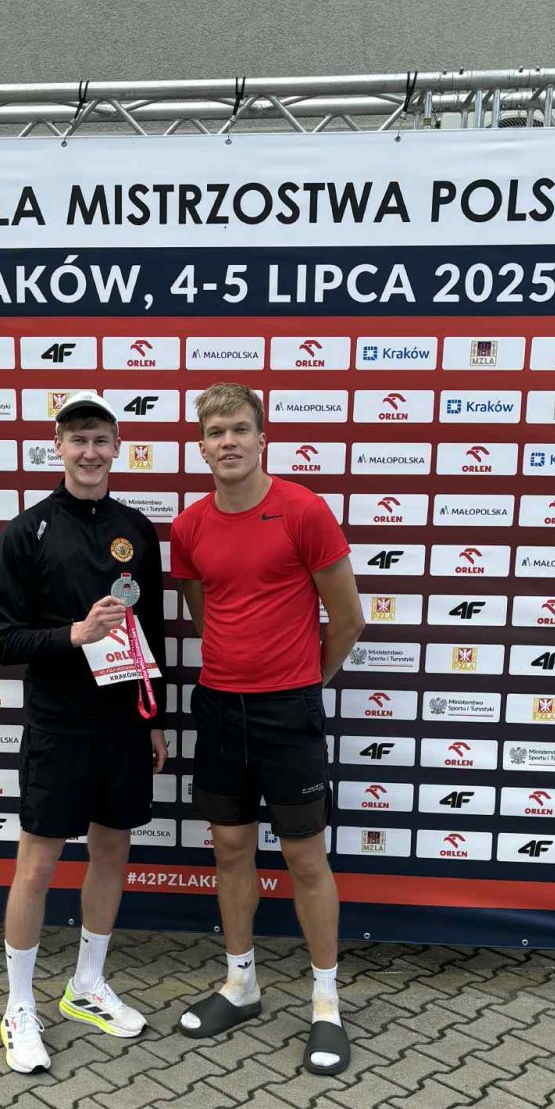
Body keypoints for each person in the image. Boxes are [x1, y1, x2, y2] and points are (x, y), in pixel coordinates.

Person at [170, 382, 364, 1074]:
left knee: (306, 858)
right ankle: (241, 984)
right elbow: (206, 613)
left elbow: (348, 620)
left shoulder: (303, 510)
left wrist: (304, 682)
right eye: (215, 431)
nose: (228, 441)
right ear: (201, 446)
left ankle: (326, 1004)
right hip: (221, 707)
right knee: (230, 849)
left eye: (239, 428)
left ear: (261, 438)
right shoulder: (189, 527)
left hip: (289, 711)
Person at [0, 390, 168, 1073]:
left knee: (112, 851)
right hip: (58, 724)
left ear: (118, 447)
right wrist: (75, 634)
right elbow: (4, 640)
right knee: (36, 865)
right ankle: (18, 1006)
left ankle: (86, 985)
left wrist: (155, 717)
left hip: (123, 721)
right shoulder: (26, 532)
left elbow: (154, 634)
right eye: (77, 439)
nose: (89, 452)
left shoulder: (137, 530)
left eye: (100, 439)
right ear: (57, 447)